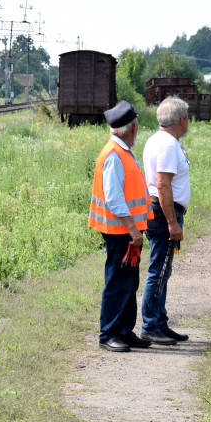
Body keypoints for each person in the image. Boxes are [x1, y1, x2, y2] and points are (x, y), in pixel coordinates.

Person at [88, 100, 154, 353]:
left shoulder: (120, 150)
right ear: (133, 127)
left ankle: (124, 330)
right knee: (117, 282)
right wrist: (134, 230)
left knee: (129, 282)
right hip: (121, 232)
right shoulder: (115, 155)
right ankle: (109, 333)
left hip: (127, 231)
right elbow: (114, 199)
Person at [140, 96, 191, 345]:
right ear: (181, 119)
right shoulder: (169, 145)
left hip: (158, 210)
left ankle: (160, 321)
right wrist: (172, 222)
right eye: (188, 117)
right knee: (158, 271)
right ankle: (150, 325)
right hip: (162, 213)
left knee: (162, 269)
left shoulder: (157, 140)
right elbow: (162, 185)